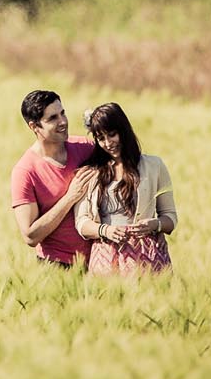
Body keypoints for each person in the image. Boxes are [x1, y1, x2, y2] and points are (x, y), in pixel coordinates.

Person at [75, 101, 177, 277]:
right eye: (100, 138)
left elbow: (171, 218)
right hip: (105, 257)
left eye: (112, 135)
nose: (108, 143)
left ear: (124, 130)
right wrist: (104, 230)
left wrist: (155, 224)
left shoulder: (154, 166)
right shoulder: (91, 172)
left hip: (147, 257)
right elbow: (81, 222)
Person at [10, 88, 99, 269]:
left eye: (62, 113)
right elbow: (30, 236)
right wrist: (70, 197)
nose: (63, 122)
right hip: (57, 267)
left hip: (101, 263)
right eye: (52, 118)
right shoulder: (25, 171)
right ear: (34, 127)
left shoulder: (86, 147)